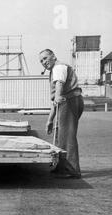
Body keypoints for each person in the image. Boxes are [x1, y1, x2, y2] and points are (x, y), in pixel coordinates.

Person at [39, 49, 84, 178]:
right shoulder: (55, 69)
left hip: (69, 101)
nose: (43, 62)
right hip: (66, 101)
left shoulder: (58, 67)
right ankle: (61, 167)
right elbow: (56, 101)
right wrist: (50, 120)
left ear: (53, 56)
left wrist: (58, 95)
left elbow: (60, 84)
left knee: (67, 135)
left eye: (45, 58)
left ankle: (73, 170)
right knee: (59, 134)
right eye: (41, 61)